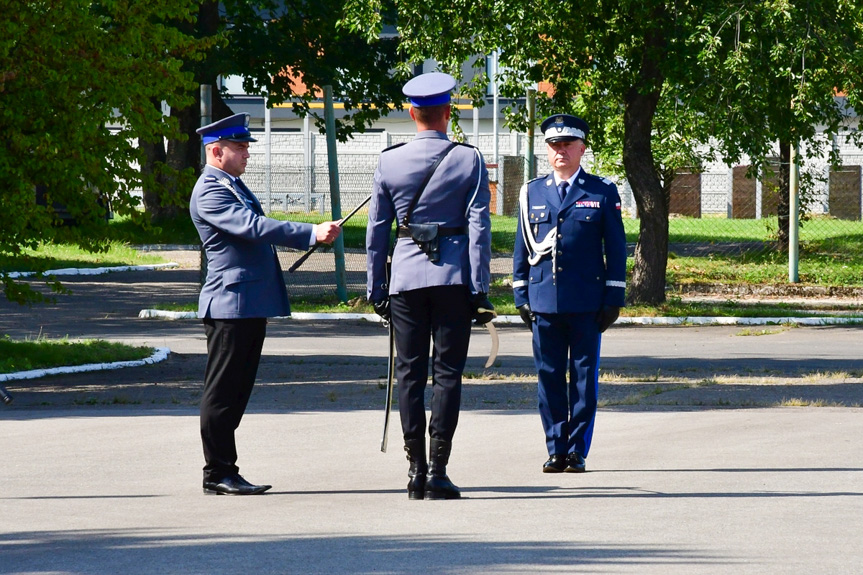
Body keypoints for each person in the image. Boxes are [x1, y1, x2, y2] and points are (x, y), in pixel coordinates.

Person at [190, 112, 341, 495]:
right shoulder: (211, 188)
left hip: (246, 303)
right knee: (223, 393)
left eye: (245, 147)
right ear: (216, 150)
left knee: (237, 392)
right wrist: (310, 232)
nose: (246, 155)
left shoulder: (232, 185)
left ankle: (226, 468)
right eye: (240, 148)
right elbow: (253, 227)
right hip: (230, 304)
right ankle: (218, 472)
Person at [366, 72, 494, 500]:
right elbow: (479, 227)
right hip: (453, 277)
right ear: (447, 112)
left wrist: (375, 286)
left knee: (409, 373)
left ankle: (414, 470)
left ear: (410, 113)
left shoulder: (388, 160)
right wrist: (479, 287)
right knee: (447, 375)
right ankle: (439, 470)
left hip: (404, 278)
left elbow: (377, 230)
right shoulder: (469, 158)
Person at [513, 113, 627, 474]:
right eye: (553, 145)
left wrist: (613, 297)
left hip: (586, 302)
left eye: (567, 144)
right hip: (543, 299)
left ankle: (577, 450)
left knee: (582, 379)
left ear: (582, 148)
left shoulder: (601, 191)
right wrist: (520, 293)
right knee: (548, 378)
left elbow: (617, 248)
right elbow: (521, 247)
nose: (560, 151)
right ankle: (555, 448)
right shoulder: (531, 191)